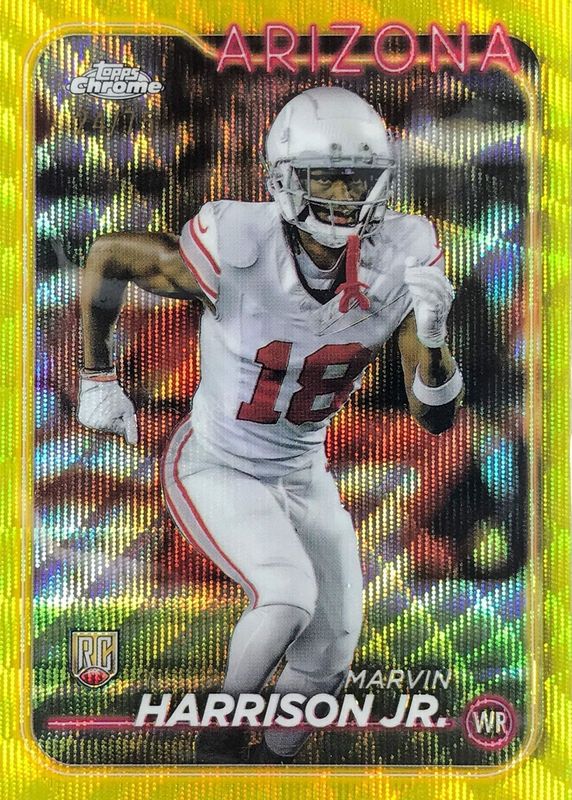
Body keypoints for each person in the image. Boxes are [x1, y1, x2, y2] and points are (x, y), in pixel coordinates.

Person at [77, 86, 463, 764]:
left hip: (303, 472)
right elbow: (109, 253)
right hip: (217, 461)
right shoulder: (237, 242)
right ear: (284, 178)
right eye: (325, 176)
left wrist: (433, 343)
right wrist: (96, 378)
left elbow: (434, 418)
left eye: (357, 178)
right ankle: (218, 740)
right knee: (286, 596)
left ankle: (273, 766)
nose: (342, 194)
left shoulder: (402, 256)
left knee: (332, 648)